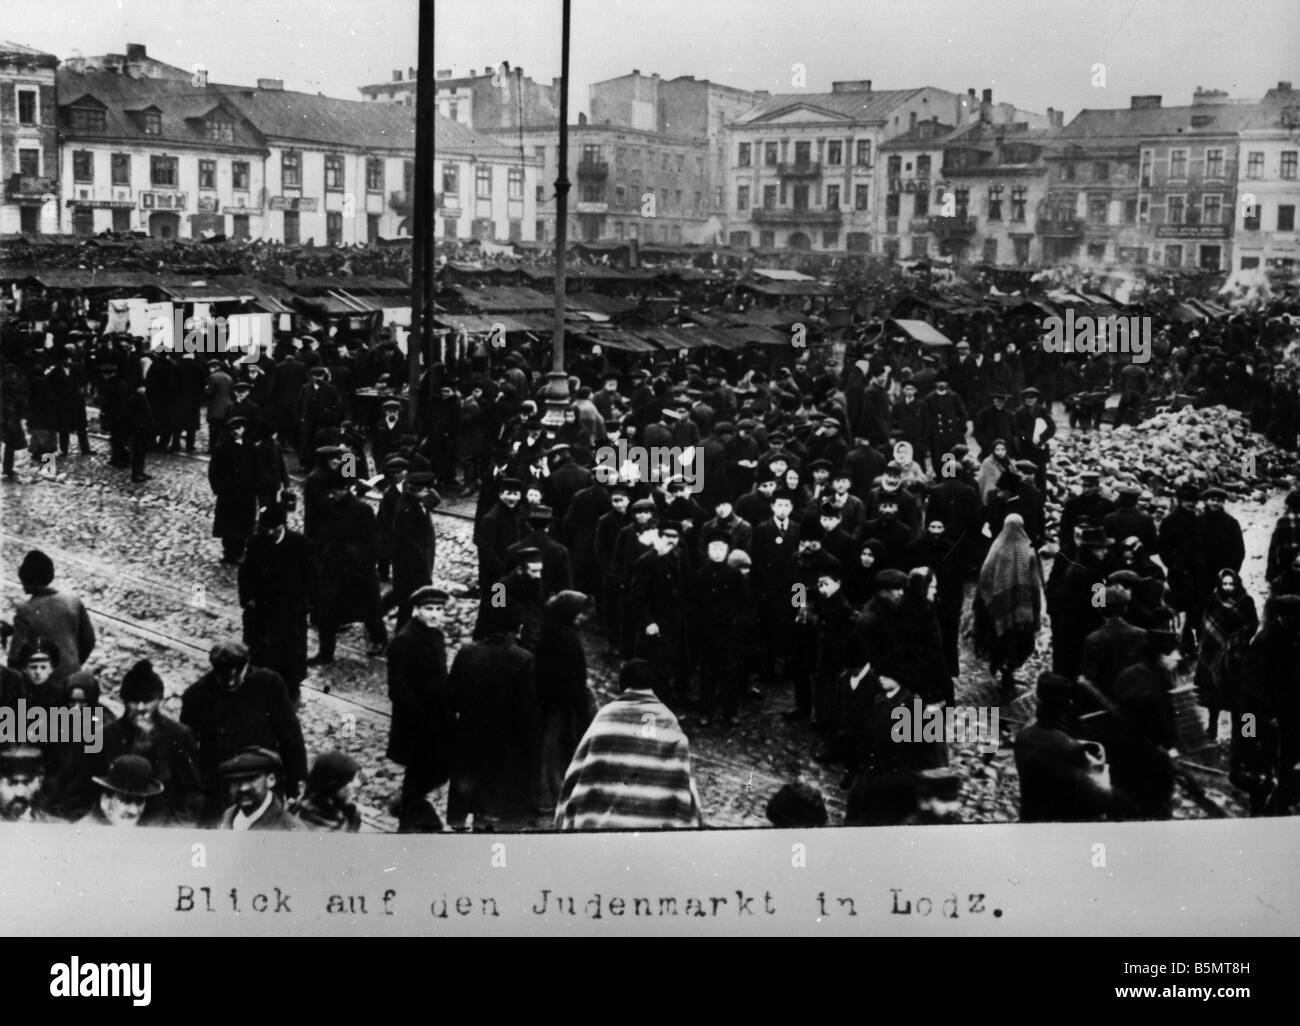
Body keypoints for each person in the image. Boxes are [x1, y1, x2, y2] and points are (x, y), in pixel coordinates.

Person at [556, 659, 704, 831]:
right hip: (657, 831)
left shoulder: (606, 716)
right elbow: (684, 781)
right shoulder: (668, 721)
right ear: (653, 687)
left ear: (622, 685)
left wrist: (562, 820)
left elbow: (576, 774)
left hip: (605, 829)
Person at [180, 640, 307, 821]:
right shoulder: (196, 695)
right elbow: (186, 750)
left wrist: (296, 783)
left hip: (263, 779)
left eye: (237, 673)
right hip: (220, 786)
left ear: (247, 665)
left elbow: (290, 736)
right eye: (223, 676)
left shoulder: (269, 684)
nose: (231, 680)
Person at [68, 658, 203, 826]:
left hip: (160, 829)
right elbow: (81, 791)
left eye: (147, 701)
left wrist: (174, 831)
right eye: (133, 700)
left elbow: (192, 793)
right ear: (123, 700)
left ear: (160, 699)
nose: (140, 707)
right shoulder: (103, 737)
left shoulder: (179, 735)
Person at [447, 605, 539, 831]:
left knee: (468, 786)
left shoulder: (466, 653)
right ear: (517, 629)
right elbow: (528, 710)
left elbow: (452, 699)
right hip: (505, 742)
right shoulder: (524, 659)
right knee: (494, 799)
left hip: (470, 734)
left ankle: (460, 824)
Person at [385, 586, 453, 820]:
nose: (435, 614)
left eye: (439, 609)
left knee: (437, 768)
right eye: (429, 609)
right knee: (421, 767)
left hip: (436, 717)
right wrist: (423, 720)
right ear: (416, 610)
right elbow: (398, 689)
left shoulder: (435, 634)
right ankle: (408, 809)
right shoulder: (405, 641)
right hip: (416, 722)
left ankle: (408, 803)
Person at [1014, 672, 1118, 822]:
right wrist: (1101, 765)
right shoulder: (1070, 749)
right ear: (1068, 705)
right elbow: (1100, 799)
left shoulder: (1023, 735)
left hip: (1030, 819)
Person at [238, 503, 313, 703]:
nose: (268, 532)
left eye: (272, 528)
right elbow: (244, 573)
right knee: (259, 652)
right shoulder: (255, 542)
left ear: (282, 525)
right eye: (265, 528)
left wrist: (307, 604)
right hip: (261, 611)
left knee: (289, 656)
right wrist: (247, 599)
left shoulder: (301, 545)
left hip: (289, 611)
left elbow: (312, 578)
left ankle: (290, 691)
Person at [310, 481, 388, 663]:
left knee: (370, 610)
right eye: (330, 491)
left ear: (346, 489)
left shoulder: (362, 509)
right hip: (333, 568)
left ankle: (380, 640)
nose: (332, 495)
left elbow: (373, 542)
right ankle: (325, 653)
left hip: (358, 570)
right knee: (326, 612)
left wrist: (363, 564)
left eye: (335, 490)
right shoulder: (329, 506)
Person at [534, 591, 598, 811]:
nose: (583, 619)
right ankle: (552, 796)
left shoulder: (556, 631)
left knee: (556, 750)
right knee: (552, 751)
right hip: (559, 704)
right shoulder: (563, 638)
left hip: (562, 702)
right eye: (580, 614)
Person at [1108, 630, 1182, 820]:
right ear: (1159, 655)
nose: (1178, 657)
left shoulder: (1133, 674)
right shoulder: (1150, 689)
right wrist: (1168, 752)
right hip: (1146, 767)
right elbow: (1144, 735)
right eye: (1172, 652)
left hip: (1124, 765)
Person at [974, 513, 1044, 696]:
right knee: (1021, 644)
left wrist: (989, 600)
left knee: (1002, 643)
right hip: (1023, 613)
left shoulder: (997, 547)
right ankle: (1010, 670)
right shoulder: (1027, 548)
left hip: (1000, 611)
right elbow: (1035, 582)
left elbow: (985, 576)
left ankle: (1003, 670)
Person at [7, 549, 95, 684]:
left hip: (42, 684)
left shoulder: (25, 611)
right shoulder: (73, 601)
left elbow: (15, 657)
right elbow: (89, 640)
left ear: (27, 579)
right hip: (73, 678)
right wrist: (71, 664)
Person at [1195, 568, 1258, 742]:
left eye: (1231, 583)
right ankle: (1212, 727)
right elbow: (1207, 626)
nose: (1228, 587)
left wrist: (1237, 638)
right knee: (1213, 694)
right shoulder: (1213, 600)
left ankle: (1246, 734)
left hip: (1237, 654)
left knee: (1240, 697)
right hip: (1214, 652)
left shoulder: (1246, 601)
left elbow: (1253, 622)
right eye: (1225, 583)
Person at [208, 416, 261, 565]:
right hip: (228, 494)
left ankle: (239, 551)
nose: (235, 432)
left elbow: (257, 469)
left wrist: (255, 486)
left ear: (244, 429)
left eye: (238, 429)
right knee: (228, 526)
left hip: (246, 494)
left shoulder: (250, 448)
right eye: (232, 429)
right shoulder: (222, 448)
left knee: (244, 524)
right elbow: (213, 470)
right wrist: (218, 488)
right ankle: (229, 553)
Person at [217, 746, 301, 830]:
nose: (243, 788)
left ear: (271, 780)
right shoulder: (227, 817)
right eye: (236, 781)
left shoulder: (290, 829)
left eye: (251, 779)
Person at [78, 755, 163, 828]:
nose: (134, 810)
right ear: (105, 801)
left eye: (139, 801)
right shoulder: (85, 833)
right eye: (126, 800)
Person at [292, 752, 362, 832]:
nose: (358, 784)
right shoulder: (322, 829)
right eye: (352, 780)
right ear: (334, 786)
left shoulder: (315, 803)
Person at [0, 744, 60, 823]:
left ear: (40, 781)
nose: (20, 793)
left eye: (27, 782)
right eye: (11, 783)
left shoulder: (56, 825)